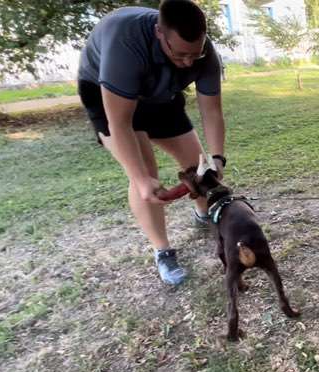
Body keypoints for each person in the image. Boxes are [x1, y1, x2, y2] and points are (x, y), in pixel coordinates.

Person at [77, 0, 227, 285]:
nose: (188, 62)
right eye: (180, 54)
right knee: (144, 173)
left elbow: (212, 112)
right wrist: (140, 178)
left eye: (194, 54)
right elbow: (120, 124)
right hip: (108, 96)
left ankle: (204, 215)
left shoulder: (204, 55)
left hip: (159, 94)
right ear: (160, 33)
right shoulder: (126, 44)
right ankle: (163, 251)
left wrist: (217, 158)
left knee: (198, 163)